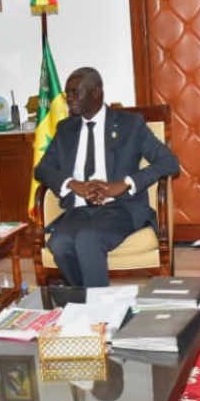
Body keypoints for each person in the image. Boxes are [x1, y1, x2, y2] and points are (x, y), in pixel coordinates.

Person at [34, 67, 180, 287]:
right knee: (59, 243)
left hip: (121, 208)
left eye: (76, 92)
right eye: (67, 94)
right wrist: (75, 185)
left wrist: (123, 184)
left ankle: (98, 312)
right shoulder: (66, 129)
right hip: (79, 210)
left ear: (96, 93)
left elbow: (169, 162)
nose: (70, 99)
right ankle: (85, 299)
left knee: (87, 239)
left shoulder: (130, 124)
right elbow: (42, 169)